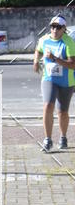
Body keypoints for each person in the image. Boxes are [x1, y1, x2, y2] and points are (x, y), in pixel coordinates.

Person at [33, 15, 75, 152]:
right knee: (47, 106)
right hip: (49, 78)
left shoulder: (68, 42)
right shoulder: (44, 40)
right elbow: (38, 50)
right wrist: (35, 62)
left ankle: (63, 137)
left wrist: (55, 59)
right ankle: (48, 140)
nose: (54, 30)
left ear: (64, 29)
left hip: (66, 81)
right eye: (52, 26)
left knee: (62, 112)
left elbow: (72, 64)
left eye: (58, 27)